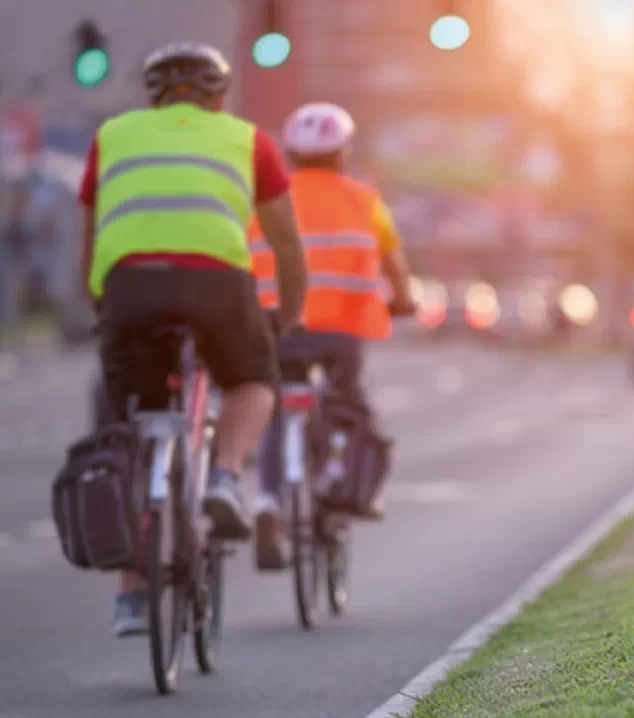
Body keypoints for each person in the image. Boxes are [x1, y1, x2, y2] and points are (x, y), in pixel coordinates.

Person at [77, 43, 308, 635]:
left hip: (130, 288)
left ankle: (130, 598)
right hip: (217, 285)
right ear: (220, 96)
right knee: (254, 383)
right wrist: (286, 315)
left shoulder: (113, 136)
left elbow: (92, 232)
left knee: (131, 429)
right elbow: (286, 244)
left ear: (153, 95)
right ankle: (226, 478)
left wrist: (101, 303)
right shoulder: (248, 140)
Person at [247, 102, 416, 571]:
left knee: (276, 411)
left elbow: (243, 261)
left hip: (278, 328)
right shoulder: (365, 201)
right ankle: (337, 474)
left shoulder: (264, 202)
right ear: (343, 153)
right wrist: (404, 300)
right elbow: (395, 265)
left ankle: (266, 502)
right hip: (341, 333)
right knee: (345, 406)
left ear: (290, 154)